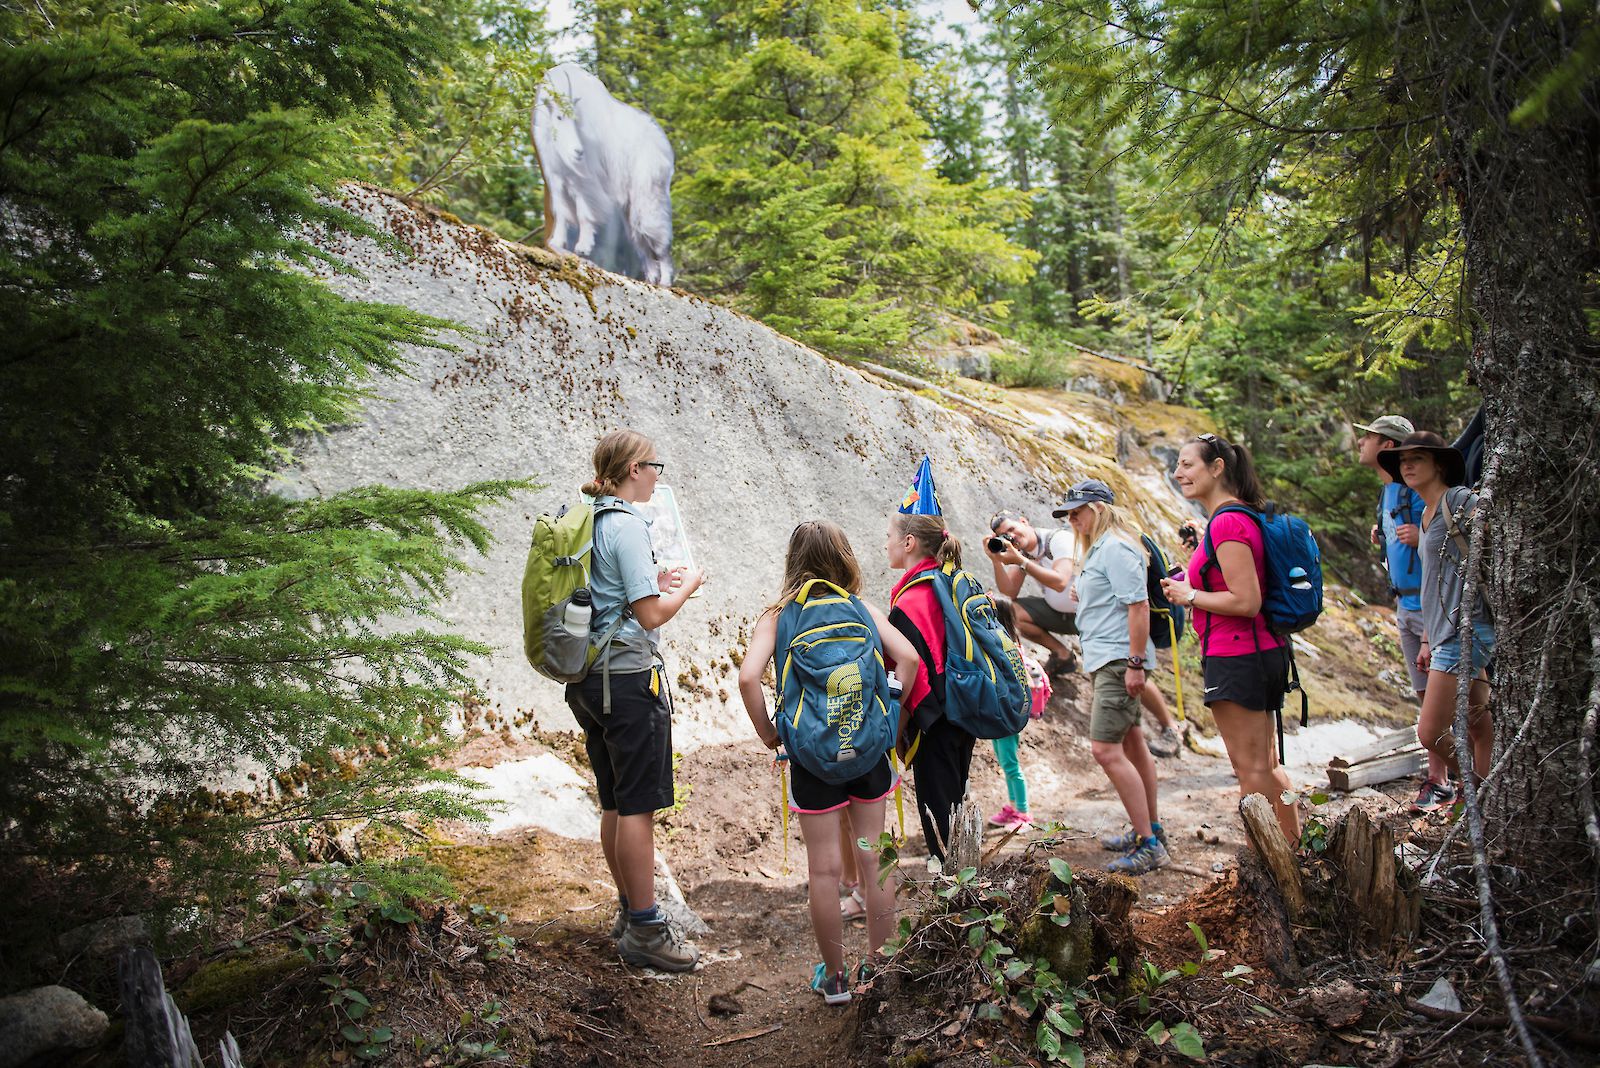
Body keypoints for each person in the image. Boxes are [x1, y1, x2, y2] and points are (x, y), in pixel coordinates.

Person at [738, 520, 913, 1005]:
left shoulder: (779, 617)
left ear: (793, 561)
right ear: (845, 559)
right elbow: (911, 660)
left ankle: (835, 980)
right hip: (868, 754)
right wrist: (889, 725)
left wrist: (773, 736)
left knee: (823, 871)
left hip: (812, 760)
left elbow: (749, 679)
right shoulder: (861, 609)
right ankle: (880, 971)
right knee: (874, 856)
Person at [566, 431, 705, 972]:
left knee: (614, 801)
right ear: (631, 470)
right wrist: (687, 585)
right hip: (626, 680)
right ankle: (647, 928)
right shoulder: (626, 524)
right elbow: (650, 615)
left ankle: (628, 911)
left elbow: (618, 591)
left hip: (589, 680)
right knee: (638, 806)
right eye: (654, 466)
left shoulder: (590, 518)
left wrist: (656, 581)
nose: (658, 476)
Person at [1160, 434, 1300, 842]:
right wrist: (1190, 584)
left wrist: (1190, 595)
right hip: (1255, 652)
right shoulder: (1231, 519)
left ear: (1217, 467)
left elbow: (1247, 600)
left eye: (1188, 464)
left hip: (1239, 655)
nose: (1178, 472)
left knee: (1251, 770)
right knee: (1266, 765)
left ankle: (1270, 864)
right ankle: (1296, 853)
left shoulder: (1229, 521)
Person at [988, 508, 1183, 757]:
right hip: (1065, 614)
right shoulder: (1024, 554)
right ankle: (1062, 655)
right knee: (1013, 612)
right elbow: (1010, 592)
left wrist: (1022, 562)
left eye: (1012, 529)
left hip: (1095, 615)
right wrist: (999, 561)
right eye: (1005, 535)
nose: (1011, 536)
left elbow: (1060, 580)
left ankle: (1170, 727)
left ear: (1024, 521)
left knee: (1126, 671)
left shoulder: (1056, 539)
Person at [1057, 480, 1171, 874]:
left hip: (1119, 660)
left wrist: (1136, 664)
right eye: (1069, 514)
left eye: (1078, 512)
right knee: (1134, 745)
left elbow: (1137, 606)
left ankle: (1149, 843)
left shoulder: (1118, 547)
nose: (1072, 520)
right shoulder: (1100, 549)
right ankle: (1150, 829)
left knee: (1105, 750)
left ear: (1100, 509)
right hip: (1110, 659)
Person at [1378, 432, 1493, 784]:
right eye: (1402, 460)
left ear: (1439, 464)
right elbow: (1434, 586)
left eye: (1417, 459)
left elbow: (1492, 536)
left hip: (1465, 630)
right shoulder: (1427, 514)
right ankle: (1491, 801)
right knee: (1480, 726)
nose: (1407, 465)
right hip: (1445, 632)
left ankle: (1479, 791)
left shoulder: (1457, 500)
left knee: (1430, 732)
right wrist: (1428, 638)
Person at [1355, 414, 1450, 813]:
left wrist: (1419, 536)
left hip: (1429, 609)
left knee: (1441, 704)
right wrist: (1383, 534)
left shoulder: (1413, 492)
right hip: (1404, 604)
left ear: (1387, 446)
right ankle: (1441, 778)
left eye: (1369, 438)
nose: (1361, 444)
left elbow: (1439, 543)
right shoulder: (1387, 493)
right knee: (1424, 695)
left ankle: (1451, 779)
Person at [887, 512, 977, 863]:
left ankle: (958, 899)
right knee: (956, 807)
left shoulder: (910, 601)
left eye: (889, 536)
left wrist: (896, 728)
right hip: (963, 711)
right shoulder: (947, 584)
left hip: (933, 724)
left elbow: (913, 676)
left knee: (940, 822)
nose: (885, 544)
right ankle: (967, 886)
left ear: (908, 543)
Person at [985, 596, 1040, 831]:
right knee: (1005, 761)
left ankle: (1024, 813)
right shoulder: (1009, 643)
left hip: (1007, 714)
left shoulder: (1007, 646)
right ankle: (1013, 806)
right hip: (1002, 713)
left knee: (1010, 763)